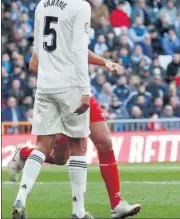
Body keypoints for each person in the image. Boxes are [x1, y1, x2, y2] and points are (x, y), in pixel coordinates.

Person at [8, 50, 142, 218]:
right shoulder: (52, 27)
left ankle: (116, 203)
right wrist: (61, 75)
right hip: (64, 94)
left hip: (81, 92)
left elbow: (79, 49)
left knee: (105, 142)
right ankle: (24, 153)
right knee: (62, 157)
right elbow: (34, 64)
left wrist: (105, 62)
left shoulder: (65, 27)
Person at [11, 0, 93, 219]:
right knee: (78, 145)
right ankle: (78, 212)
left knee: (42, 145)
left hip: (45, 84)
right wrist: (85, 91)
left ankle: (20, 198)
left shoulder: (43, 4)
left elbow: (36, 56)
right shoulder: (81, 6)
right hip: (70, 84)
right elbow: (80, 51)